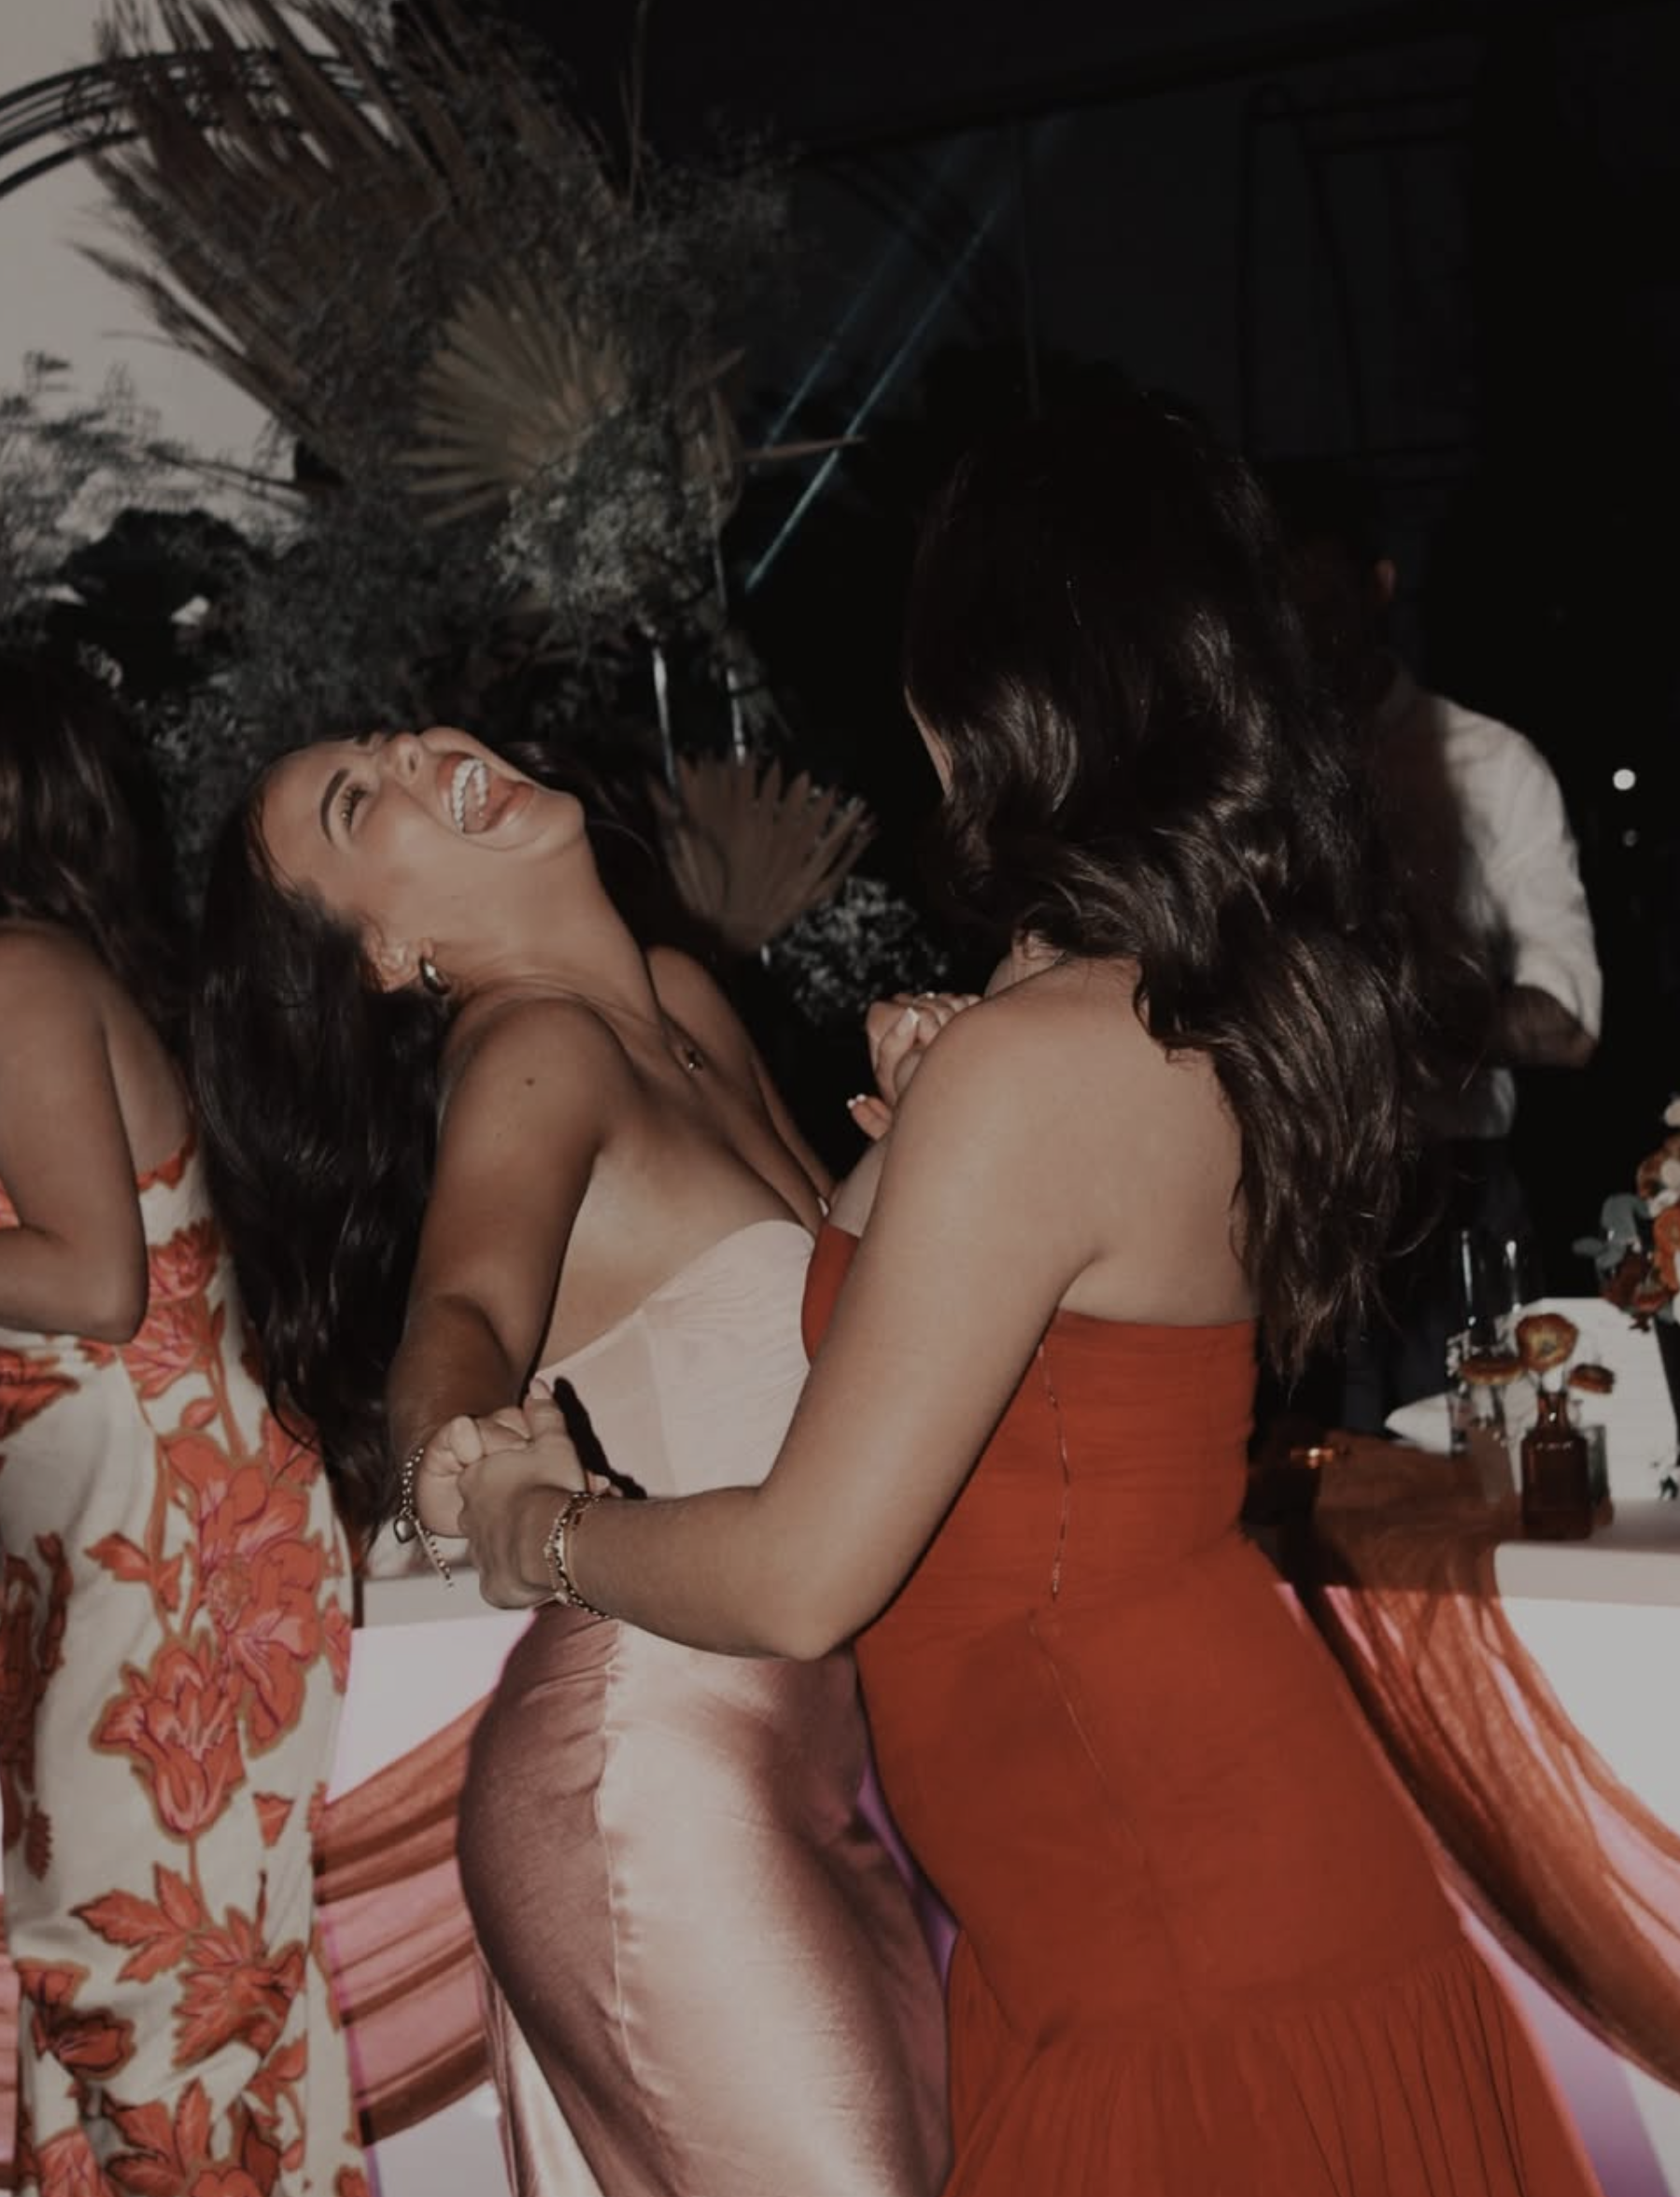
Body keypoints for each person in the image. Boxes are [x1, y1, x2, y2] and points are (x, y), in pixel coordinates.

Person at [451, 400, 1605, 2196]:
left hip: (1163, 1910)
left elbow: (798, 1573)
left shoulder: (1045, 1054)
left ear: (981, 692)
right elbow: (941, 1311)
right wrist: (912, 1124)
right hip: (1114, 1887)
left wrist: (548, 1533)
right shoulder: (1113, 1008)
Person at [191, 736, 947, 2197]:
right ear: (394, 950)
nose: (409, 748)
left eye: (385, 733)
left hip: (807, 1751)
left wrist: (919, 1144)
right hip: (655, 1770)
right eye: (362, 801)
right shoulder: (531, 1047)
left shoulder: (677, 1002)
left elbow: (816, 1334)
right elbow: (461, 1316)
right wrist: (464, 1469)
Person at [0, 656, 362, 2197]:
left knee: (149, 2010)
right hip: (115, 1564)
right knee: (118, 2005)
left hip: (176, 1579)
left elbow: (87, 1278)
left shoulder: (12, 970)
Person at [1264, 458, 1604, 1417]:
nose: (1302, 634)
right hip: (1293, 1199)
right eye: (1279, 610)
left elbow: (1570, 1020)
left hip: (1449, 1194)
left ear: (1375, 587)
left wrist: (1400, 1013)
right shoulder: (1253, 786)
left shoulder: (1486, 763)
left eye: (1319, 599)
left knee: (1473, 1485)